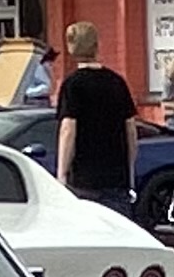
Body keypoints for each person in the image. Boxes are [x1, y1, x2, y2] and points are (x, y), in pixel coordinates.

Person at [55, 21, 138, 217]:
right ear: (97, 45)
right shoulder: (117, 82)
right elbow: (131, 129)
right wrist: (130, 169)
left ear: (71, 48)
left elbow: (68, 130)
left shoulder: (72, 84)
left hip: (85, 180)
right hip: (116, 178)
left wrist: (62, 173)